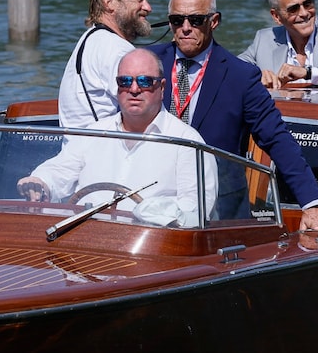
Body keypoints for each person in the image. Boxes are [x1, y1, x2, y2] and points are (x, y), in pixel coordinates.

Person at [147, 0, 318, 231]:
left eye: (195, 20)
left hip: (217, 206)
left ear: (214, 21)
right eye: (177, 20)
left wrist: (311, 202)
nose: (185, 28)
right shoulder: (145, 63)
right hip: (151, 197)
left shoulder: (241, 76)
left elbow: (276, 137)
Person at [17, 49, 217, 228]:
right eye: (125, 81)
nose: (134, 89)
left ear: (162, 87)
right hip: (81, 241)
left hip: (152, 249)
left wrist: (150, 212)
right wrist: (40, 183)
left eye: (145, 81)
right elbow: (59, 170)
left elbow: (195, 213)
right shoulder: (94, 133)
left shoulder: (188, 143)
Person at [58, 0, 153, 128]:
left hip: (78, 149)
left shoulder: (91, 38)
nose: (148, 7)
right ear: (109, 2)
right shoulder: (118, 50)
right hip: (105, 151)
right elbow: (147, 113)